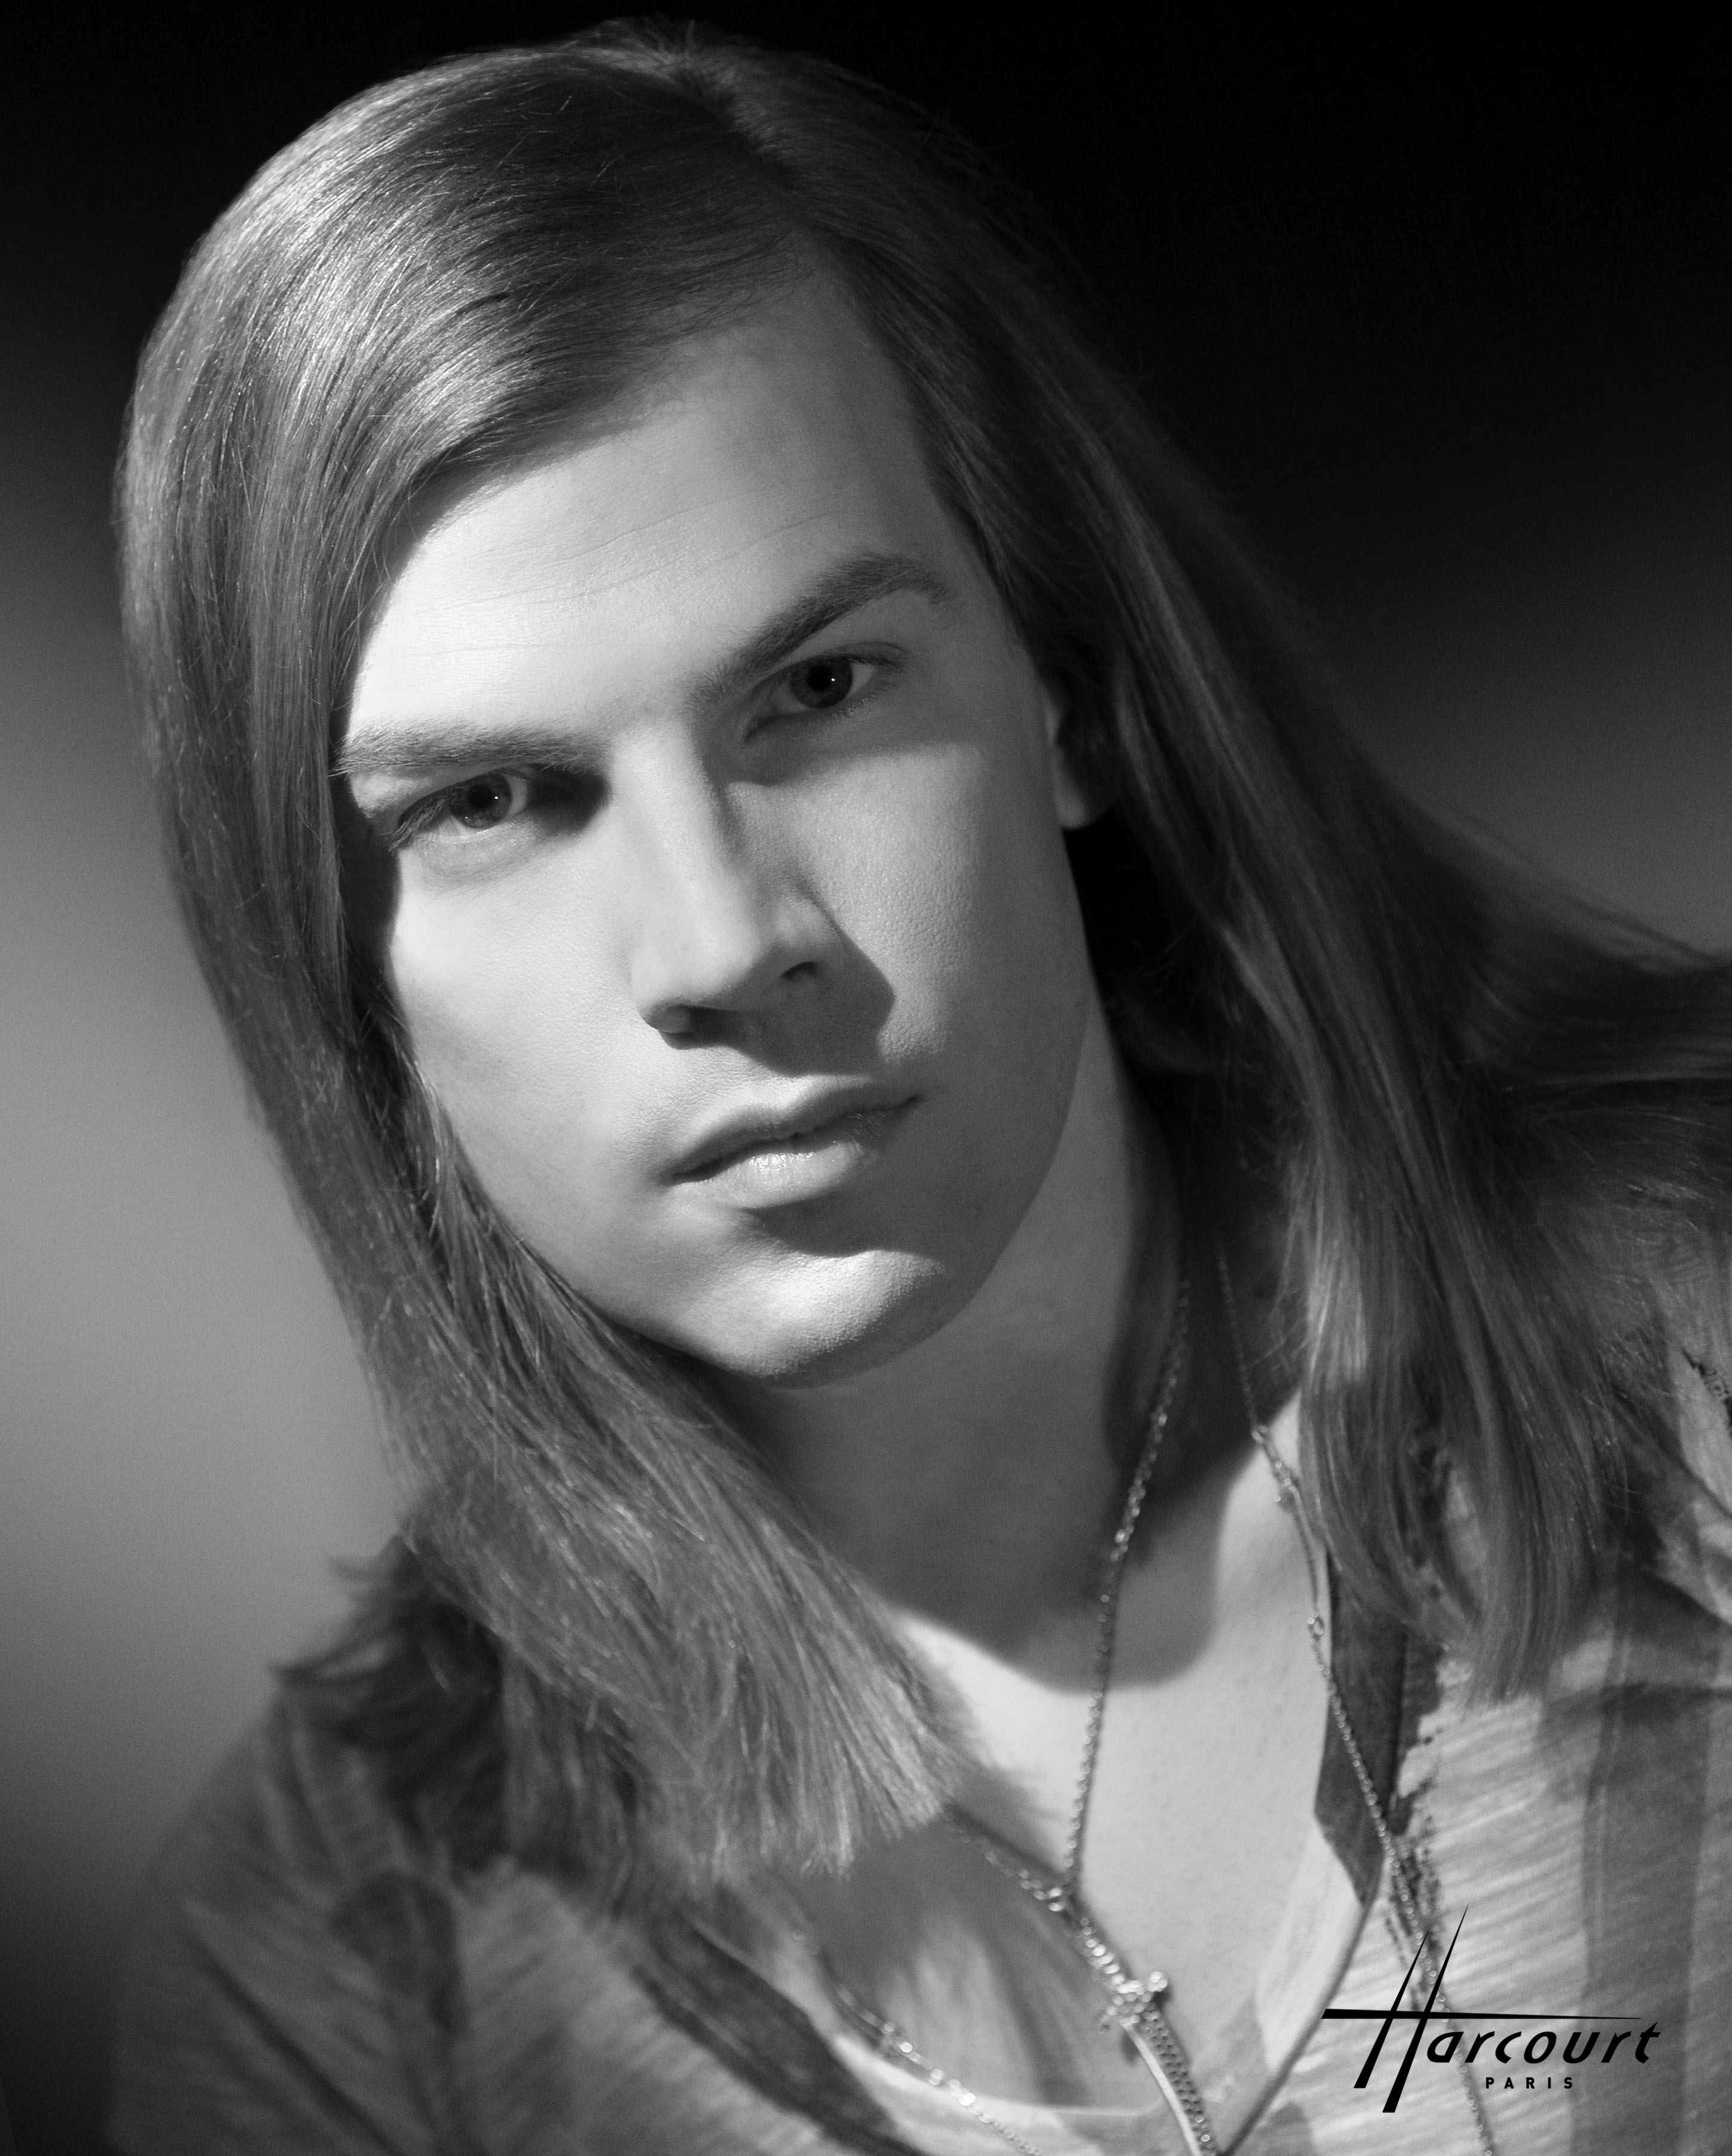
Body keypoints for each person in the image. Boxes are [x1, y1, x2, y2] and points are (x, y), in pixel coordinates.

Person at [108, 20, 1732, 2155]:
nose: (722, 938)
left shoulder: (1685, 1338)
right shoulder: (338, 1972)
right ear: (336, 955)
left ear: (1069, 689)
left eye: (817, 687)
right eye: (496, 799)